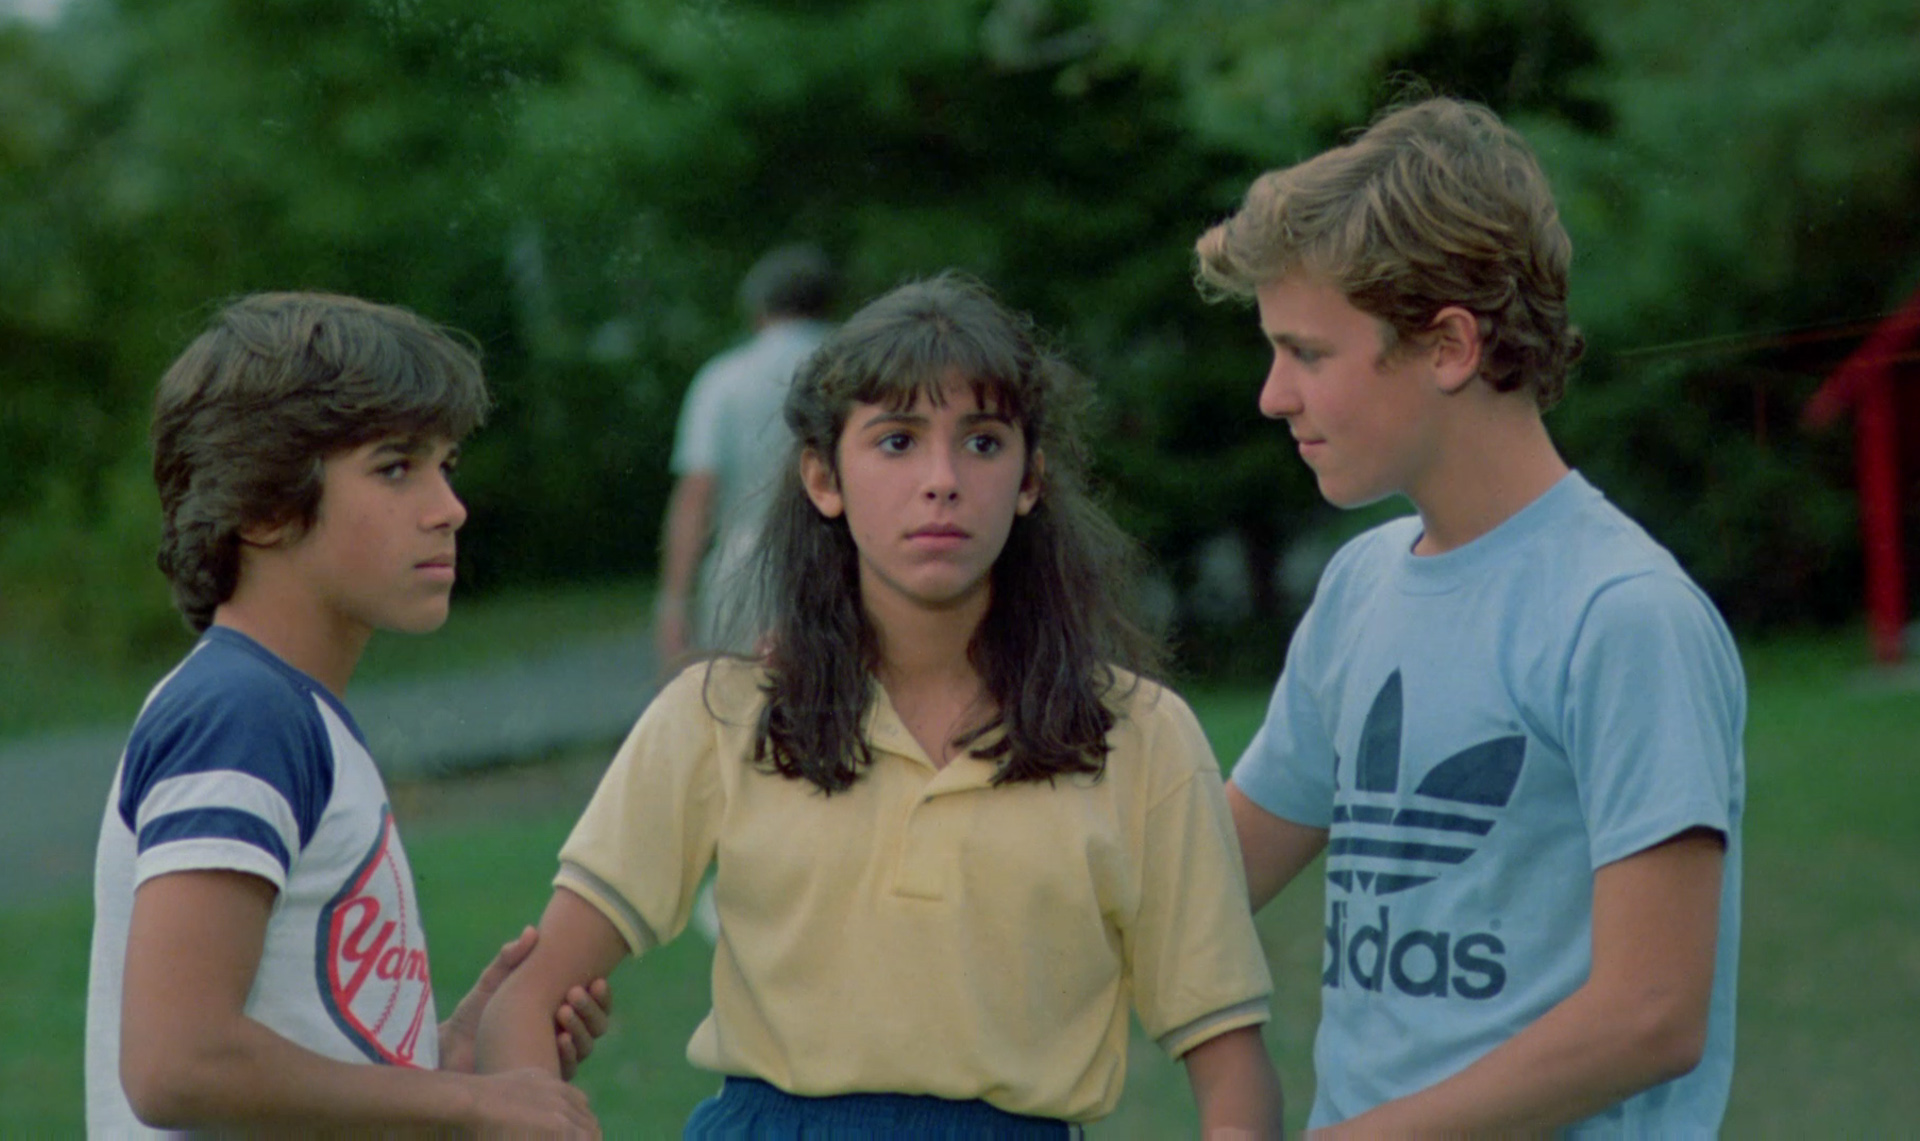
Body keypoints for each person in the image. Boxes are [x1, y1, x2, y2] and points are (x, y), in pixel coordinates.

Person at [478, 274, 1284, 1137]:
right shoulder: (718, 714)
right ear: (824, 477)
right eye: (897, 441)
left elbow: (1232, 1070)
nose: (941, 480)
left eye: (981, 442)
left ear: (1029, 479)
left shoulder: (1142, 735)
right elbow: (524, 999)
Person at [1194, 96, 1747, 1135]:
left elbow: (1653, 1013)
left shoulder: (1623, 615)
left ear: (1448, 345)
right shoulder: (1361, 587)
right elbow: (1207, 875)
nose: (1273, 395)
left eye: (1307, 353)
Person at [87, 292, 610, 1137]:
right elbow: (177, 1063)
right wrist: (469, 1103)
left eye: (447, 465)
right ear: (261, 504)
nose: (448, 506)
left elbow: (281, 1053)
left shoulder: (292, 710)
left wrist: (445, 1056)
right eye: (396, 467)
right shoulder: (242, 713)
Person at [654, 243, 837, 667]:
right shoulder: (854, 367)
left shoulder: (723, 379)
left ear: (758, 309)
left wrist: (673, 601)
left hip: (745, 564)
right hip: (839, 557)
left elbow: (696, 493)